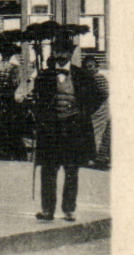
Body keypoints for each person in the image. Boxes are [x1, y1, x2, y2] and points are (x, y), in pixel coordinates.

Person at [30, 35, 106, 222]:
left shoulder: (82, 75)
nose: (60, 55)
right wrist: (40, 117)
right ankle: (47, 210)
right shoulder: (44, 75)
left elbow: (98, 96)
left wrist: (83, 112)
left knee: (71, 170)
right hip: (51, 130)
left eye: (64, 51)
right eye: (57, 51)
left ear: (71, 53)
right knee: (48, 169)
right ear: (52, 52)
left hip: (74, 130)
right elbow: (37, 101)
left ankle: (69, 209)